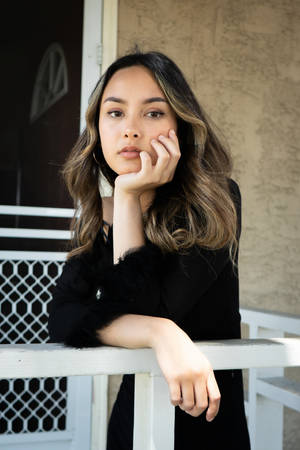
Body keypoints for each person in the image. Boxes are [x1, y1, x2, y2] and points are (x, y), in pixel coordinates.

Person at [48, 49, 251, 450]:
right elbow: (63, 316)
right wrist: (159, 333)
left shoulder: (215, 199)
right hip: (134, 413)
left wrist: (126, 197)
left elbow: (152, 306)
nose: (131, 129)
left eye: (154, 113)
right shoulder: (95, 214)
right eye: (116, 112)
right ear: (97, 128)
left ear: (181, 125)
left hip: (206, 416)